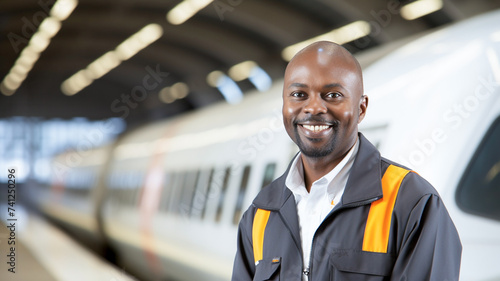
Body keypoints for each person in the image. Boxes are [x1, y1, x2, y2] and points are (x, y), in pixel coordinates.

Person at [231, 41, 462, 281]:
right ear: (284, 106)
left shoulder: (412, 203)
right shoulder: (261, 213)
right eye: (299, 95)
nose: (313, 108)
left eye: (333, 95)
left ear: (361, 108)